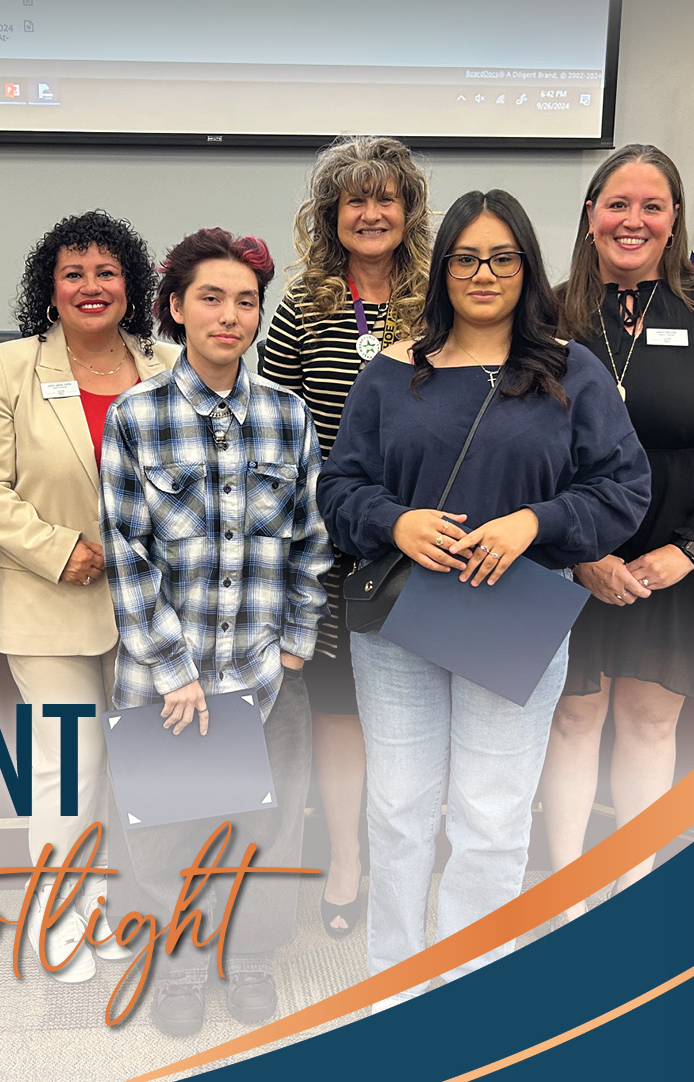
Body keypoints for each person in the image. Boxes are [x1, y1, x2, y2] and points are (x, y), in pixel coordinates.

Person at [318, 190, 649, 1004]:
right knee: (397, 811)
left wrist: (533, 523)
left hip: (513, 619)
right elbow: (337, 488)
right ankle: (392, 985)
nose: (484, 273)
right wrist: (394, 524)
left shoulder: (573, 371)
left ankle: (470, 986)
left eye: (503, 257)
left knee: (493, 820)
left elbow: (624, 489)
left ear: (528, 269)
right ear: (441, 272)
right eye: (465, 258)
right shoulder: (393, 371)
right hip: (399, 621)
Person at [100, 228, 332, 1035]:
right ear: (174, 308)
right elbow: (126, 555)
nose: (230, 315)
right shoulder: (137, 417)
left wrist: (298, 636)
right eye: (211, 297)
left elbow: (310, 537)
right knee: (169, 837)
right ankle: (180, 964)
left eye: (245, 301)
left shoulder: (287, 416)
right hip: (171, 678)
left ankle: (255, 955)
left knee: (266, 829)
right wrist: (173, 668)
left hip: (265, 674)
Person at [542, 144, 694, 917]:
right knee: (573, 715)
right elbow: (520, 448)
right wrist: (583, 557)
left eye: (652, 205)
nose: (633, 220)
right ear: (590, 214)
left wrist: (691, 548)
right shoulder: (550, 311)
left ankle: (632, 894)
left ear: (676, 219)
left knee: (649, 718)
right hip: (572, 552)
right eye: (617, 203)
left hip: (682, 553)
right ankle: (566, 897)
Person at [0, 210, 175, 980]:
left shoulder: (169, 363)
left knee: (139, 769)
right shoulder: (9, 366)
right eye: (73, 273)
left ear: (132, 285)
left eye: (106, 272)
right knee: (68, 767)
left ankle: (108, 905)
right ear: (50, 289)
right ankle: (59, 915)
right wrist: (57, 550)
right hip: (51, 604)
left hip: (152, 609)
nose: (91, 287)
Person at [262, 136, 432, 938]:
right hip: (330, 547)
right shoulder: (302, 307)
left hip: (425, 544)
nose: (371, 212)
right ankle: (346, 862)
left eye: (385, 197)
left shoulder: (442, 302)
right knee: (340, 710)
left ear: (409, 210)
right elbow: (277, 431)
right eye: (354, 200)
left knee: (415, 707)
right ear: (332, 215)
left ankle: (407, 859)